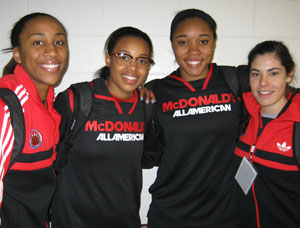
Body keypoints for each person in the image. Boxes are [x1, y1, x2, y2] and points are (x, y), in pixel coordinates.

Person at [144, 8, 249, 228]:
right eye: (183, 42)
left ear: (214, 43)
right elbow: (147, 158)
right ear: (172, 44)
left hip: (228, 215)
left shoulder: (237, 81)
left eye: (203, 41)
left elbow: (281, 95)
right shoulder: (156, 92)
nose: (194, 51)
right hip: (170, 216)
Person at [51, 26, 155, 228]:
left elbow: (149, 158)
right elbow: (48, 160)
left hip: (124, 221)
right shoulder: (76, 100)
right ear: (108, 58)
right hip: (72, 221)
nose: (133, 67)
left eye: (141, 60)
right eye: (124, 57)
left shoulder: (146, 106)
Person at [0, 13, 68, 227]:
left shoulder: (49, 105)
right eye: (38, 42)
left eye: (59, 42)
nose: (52, 51)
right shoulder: (6, 107)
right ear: (18, 54)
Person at [234, 40, 300, 228]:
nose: (263, 83)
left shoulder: (297, 126)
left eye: (273, 73)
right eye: (256, 74)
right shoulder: (244, 113)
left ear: (289, 75)